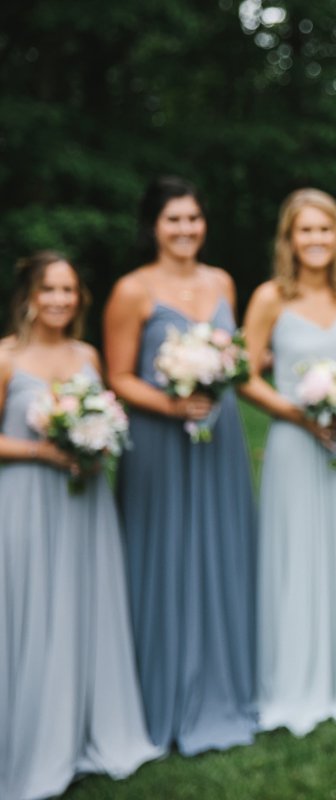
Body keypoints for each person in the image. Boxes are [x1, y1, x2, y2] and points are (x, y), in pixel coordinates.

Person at [103, 177, 258, 753]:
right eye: (174, 220)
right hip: (159, 442)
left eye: (193, 218)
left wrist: (217, 381)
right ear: (154, 226)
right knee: (164, 555)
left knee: (219, 553)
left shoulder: (222, 282)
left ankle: (225, 686)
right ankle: (164, 695)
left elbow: (234, 357)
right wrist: (172, 403)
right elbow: (116, 376)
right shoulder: (132, 291)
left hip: (219, 437)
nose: (186, 229)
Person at [0, 252, 161, 799]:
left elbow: (106, 417)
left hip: (86, 502)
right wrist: (41, 451)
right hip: (28, 500)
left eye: (69, 290)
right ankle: (35, 740)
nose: (60, 300)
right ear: (28, 295)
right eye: (50, 290)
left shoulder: (87, 353)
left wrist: (97, 440)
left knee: (83, 607)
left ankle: (87, 730)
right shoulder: (6, 357)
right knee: (36, 608)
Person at [239, 188, 336, 734]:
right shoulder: (270, 297)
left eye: (325, 229)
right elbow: (246, 374)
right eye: (305, 230)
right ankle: (296, 677)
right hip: (294, 443)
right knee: (297, 553)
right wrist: (301, 414)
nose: (316, 240)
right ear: (289, 239)